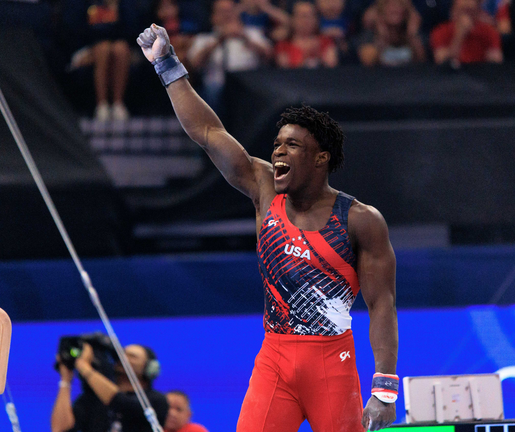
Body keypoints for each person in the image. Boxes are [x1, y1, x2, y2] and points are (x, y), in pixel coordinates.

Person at [136, 23, 399, 432]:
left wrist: (384, 388)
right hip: (274, 358)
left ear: (321, 158)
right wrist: (167, 65)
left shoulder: (360, 219)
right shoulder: (263, 189)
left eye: (291, 144)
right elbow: (209, 133)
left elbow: (381, 303)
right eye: (277, 143)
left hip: (331, 363)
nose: (278, 149)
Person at [51, 342, 169, 432]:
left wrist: (84, 367)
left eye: (132, 356)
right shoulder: (94, 398)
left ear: (150, 367)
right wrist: (65, 381)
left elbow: (120, 402)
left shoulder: (156, 400)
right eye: (121, 354)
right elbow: (60, 428)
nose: (123, 358)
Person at [187, 0, 274, 113]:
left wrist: (244, 37)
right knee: (210, 90)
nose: (227, 15)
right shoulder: (204, 38)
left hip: (248, 86)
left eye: (230, 11)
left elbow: (270, 56)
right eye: (222, 11)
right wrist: (219, 39)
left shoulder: (252, 33)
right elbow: (194, 64)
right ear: (213, 16)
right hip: (217, 88)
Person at [430, 0, 503, 66]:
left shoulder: (488, 31)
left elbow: (496, 61)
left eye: (469, 12)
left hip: (479, 77)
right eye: (463, 11)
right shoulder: (440, 31)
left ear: (477, 11)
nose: (466, 18)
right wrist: (459, 36)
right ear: (453, 9)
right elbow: (441, 61)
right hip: (450, 78)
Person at [356, 0, 426, 67]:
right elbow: (368, 61)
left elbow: (422, 60)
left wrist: (412, 34)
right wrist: (382, 35)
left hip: (409, 77)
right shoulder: (370, 34)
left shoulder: (413, 34)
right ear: (381, 11)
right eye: (390, 5)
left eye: (399, 5)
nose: (395, 9)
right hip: (380, 77)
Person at [274, 0, 339, 68]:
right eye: (303, 16)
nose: (307, 21)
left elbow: (332, 67)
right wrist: (304, 57)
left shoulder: (326, 41)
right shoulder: (283, 45)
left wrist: (317, 54)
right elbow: (284, 70)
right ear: (292, 18)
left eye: (311, 16)